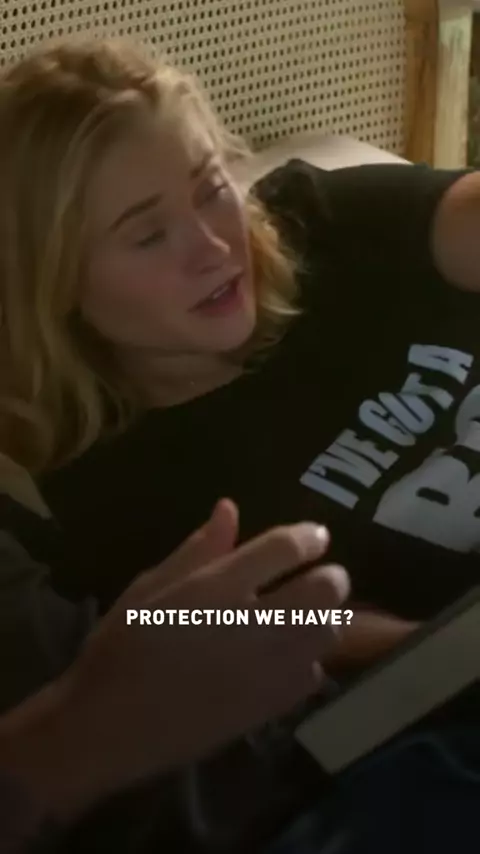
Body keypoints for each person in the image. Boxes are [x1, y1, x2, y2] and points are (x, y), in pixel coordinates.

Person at [0, 38, 478, 850]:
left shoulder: (319, 224)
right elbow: (335, 645)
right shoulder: (114, 504)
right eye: (147, 236)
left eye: (211, 188)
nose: (214, 245)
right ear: (57, 280)